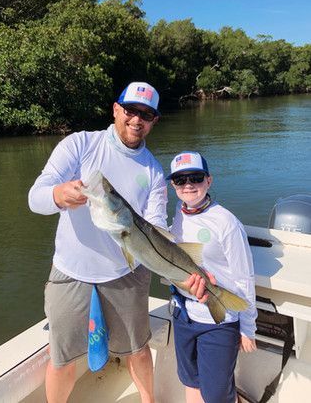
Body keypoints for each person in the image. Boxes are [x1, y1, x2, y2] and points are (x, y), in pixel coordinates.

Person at [28, 82, 206, 403]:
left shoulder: (152, 170)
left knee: (137, 350)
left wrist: (185, 270)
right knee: (63, 358)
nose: (136, 120)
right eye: (130, 110)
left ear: (154, 121)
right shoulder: (81, 144)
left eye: (146, 114)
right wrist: (57, 195)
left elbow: (154, 228)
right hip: (72, 269)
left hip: (128, 270)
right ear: (115, 109)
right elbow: (35, 197)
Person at [166, 151, 257, 403]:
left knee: (217, 395)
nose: (188, 185)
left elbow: (244, 279)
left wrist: (247, 327)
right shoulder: (178, 211)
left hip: (219, 320)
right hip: (183, 314)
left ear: (209, 180)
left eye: (195, 178)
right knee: (190, 381)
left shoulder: (226, 223)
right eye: (179, 180)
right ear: (173, 186)